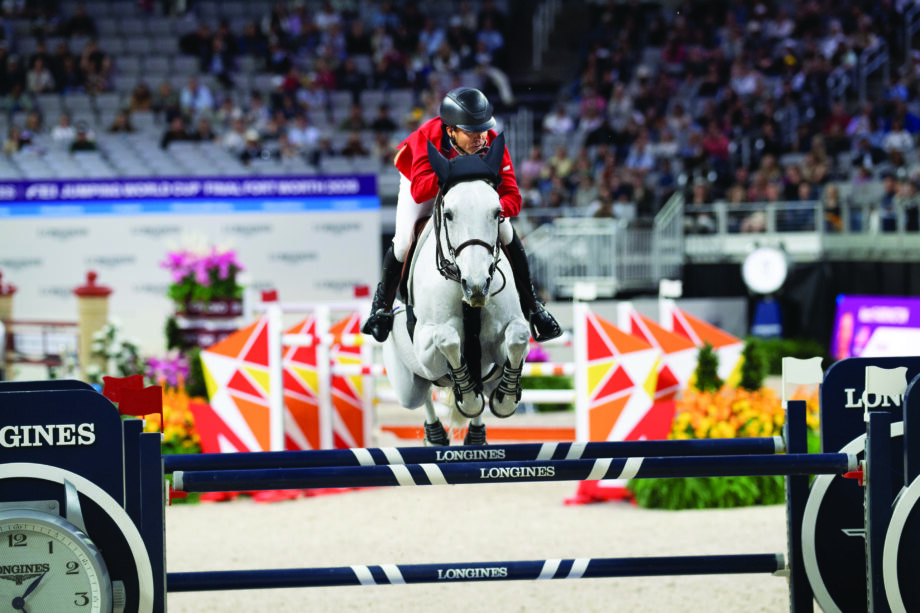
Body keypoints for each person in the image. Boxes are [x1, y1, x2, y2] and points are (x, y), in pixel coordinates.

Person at [361, 87, 562, 343]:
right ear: (450, 130)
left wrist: (493, 209)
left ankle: (535, 307)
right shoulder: (427, 137)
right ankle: (382, 308)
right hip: (424, 186)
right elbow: (421, 190)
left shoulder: (490, 141)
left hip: (474, 201)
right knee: (402, 241)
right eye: (471, 132)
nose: (480, 138)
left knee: (507, 232)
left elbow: (513, 196)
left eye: (482, 129)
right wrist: (454, 171)